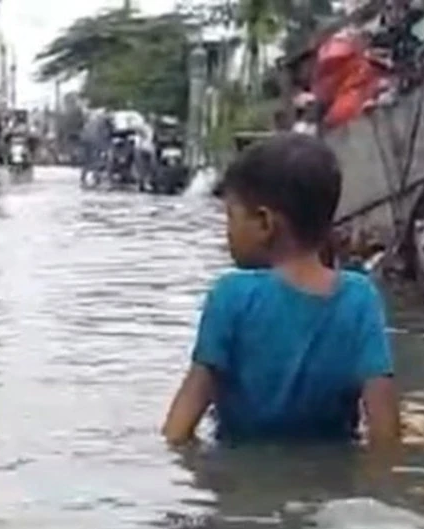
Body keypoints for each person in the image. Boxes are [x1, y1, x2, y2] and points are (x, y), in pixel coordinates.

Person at [163, 133, 400, 448]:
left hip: (241, 484)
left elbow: (178, 430)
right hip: (329, 486)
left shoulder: (231, 295)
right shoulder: (359, 298)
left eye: (230, 216)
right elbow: (385, 435)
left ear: (264, 223)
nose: (227, 232)